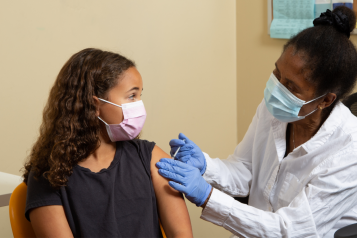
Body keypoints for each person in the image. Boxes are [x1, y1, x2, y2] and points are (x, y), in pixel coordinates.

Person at [157, 6, 357, 238]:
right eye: (277, 73)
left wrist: (208, 197)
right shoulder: (276, 110)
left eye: (291, 86)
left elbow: (289, 230)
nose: (277, 89)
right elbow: (245, 170)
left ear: (325, 100)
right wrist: (206, 166)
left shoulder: (349, 151)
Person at [23, 48, 193, 238]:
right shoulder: (48, 175)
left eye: (139, 96)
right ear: (94, 105)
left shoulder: (150, 156)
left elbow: (182, 235)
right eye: (131, 96)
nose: (139, 106)